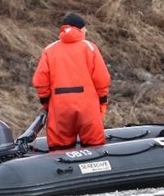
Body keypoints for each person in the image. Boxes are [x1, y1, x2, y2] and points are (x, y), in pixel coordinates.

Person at [32, 12, 112, 150]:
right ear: (79, 29)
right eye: (84, 28)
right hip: (87, 106)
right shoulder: (90, 48)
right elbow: (102, 79)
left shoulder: (49, 50)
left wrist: (46, 102)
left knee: (59, 150)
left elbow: (41, 81)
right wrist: (102, 101)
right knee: (95, 148)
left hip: (59, 107)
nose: (86, 30)